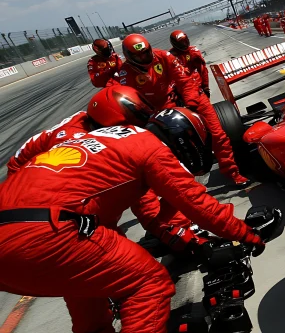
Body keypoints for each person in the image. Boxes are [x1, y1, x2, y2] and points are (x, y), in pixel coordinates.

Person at [0, 107, 265, 333]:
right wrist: (248, 234)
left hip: (12, 241)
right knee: (150, 283)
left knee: (84, 282)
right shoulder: (149, 147)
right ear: (184, 139)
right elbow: (198, 205)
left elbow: (154, 215)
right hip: (47, 230)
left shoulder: (100, 139)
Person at [7, 85, 205, 255]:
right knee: (98, 228)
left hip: (41, 176)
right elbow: (141, 196)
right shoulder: (74, 140)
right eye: (128, 126)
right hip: (26, 190)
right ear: (110, 121)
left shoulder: (90, 123)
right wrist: (169, 231)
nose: (134, 132)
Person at [116, 34, 248, 184]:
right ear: (129, 56)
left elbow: (185, 82)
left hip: (190, 97)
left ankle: (232, 173)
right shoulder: (125, 73)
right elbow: (132, 100)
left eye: (146, 52)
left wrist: (190, 105)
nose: (144, 57)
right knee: (171, 152)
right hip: (160, 110)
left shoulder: (164, 56)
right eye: (138, 56)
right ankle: (188, 186)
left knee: (217, 135)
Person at [169, 30, 211, 97]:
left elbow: (202, 70)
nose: (184, 44)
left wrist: (205, 86)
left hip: (197, 86)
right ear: (175, 44)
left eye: (185, 41)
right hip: (181, 90)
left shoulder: (193, 51)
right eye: (181, 43)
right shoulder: (170, 56)